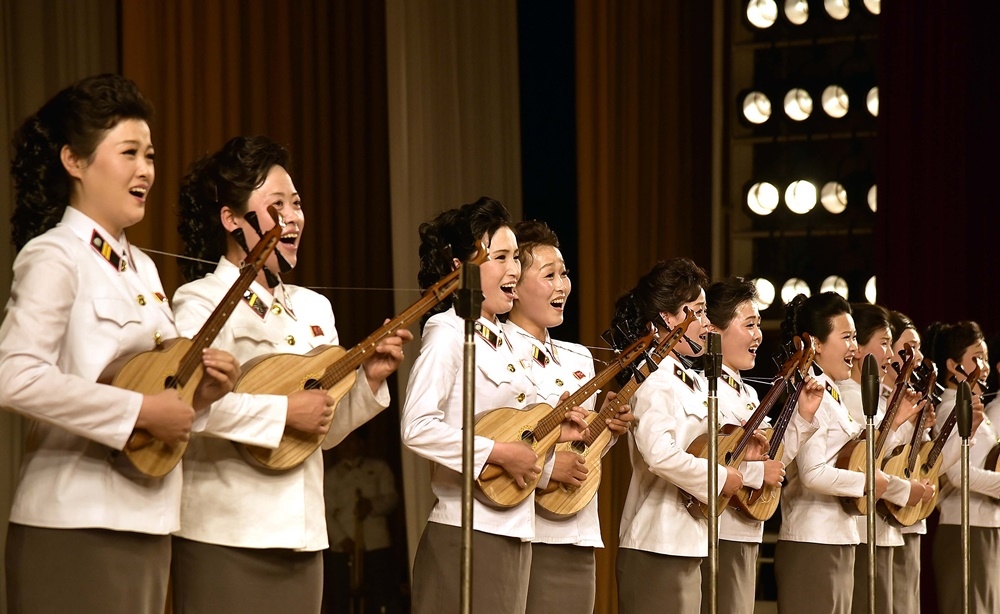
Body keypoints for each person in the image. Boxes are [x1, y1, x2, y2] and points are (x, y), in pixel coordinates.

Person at [0, 74, 238, 613]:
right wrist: (140, 411)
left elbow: (155, 386)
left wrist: (200, 394)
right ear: (74, 161)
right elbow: (13, 377)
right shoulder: (54, 255)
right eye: (128, 152)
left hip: (149, 519)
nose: (145, 170)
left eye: (150, 155)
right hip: (74, 519)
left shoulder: (145, 268)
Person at [170, 135, 410, 613]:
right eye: (276, 204)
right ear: (232, 219)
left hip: (303, 536)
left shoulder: (313, 306)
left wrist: (368, 382)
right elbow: (187, 409)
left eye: (296, 204)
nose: (293, 217)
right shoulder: (199, 301)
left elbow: (319, 430)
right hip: (225, 531)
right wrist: (283, 412)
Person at [400, 198, 587, 614]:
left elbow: (516, 429)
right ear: (458, 267)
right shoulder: (447, 331)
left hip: (515, 529)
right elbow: (416, 426)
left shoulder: (502, 339)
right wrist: (498, 454)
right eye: (500, 257)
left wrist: (559, 430)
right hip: (466, 528)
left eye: (514, 258)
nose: (513, 270)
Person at [503, 220, 634, 614]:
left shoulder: (578, 355)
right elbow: (493, 437)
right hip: (525, 527)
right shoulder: (498, 348)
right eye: (549, 275)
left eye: (565, 274)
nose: (562, 285)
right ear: (515, 285)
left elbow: (583, 446)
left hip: (578, 526)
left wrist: (609, 429)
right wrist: (545, 467)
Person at [614, 258, 745, 614]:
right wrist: (720, 478)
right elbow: (659, 453)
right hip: (658, 540)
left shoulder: (686, 378)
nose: (706, 325)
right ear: (668, 319)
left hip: (687, 539)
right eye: (698, 313)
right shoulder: (653, 376)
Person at [773, 292, 906, 614]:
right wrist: (866, 484)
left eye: (855, 338)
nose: (854, 348)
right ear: (816, 344)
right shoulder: (810, 391)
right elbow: (813, 473)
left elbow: (853, 456)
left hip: (839, 536)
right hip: (813, 538)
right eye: (846, 337)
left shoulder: (831, 393)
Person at [701, 277, 823, 614]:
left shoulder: (749, 393)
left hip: (746, 529)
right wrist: (757, 473)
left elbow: (775, 456)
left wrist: (801, 417)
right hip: (719, 531)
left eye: (758, 325)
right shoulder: (702, 388)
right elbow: (706, 458)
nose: (758, 335)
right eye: (750, 324)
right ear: (714, 330)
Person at [834, 304, 926, 614]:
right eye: (884, 343)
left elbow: (895, 461)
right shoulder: (847, 396)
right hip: (862, 529)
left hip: (885, 528)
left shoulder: (875, 397)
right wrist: (897, 424)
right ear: (858, 349)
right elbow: (860, 462)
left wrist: (912, 427)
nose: (890, 354)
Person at [926, 321, 996, 613]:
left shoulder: (975, 406)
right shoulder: (948, 409)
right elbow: (953, 472)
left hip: (985, 525)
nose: (985, 366)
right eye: (977, 358)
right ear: (953, 366)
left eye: (987, 358)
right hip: (963, 526)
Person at [323, 429, 401, 614]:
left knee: (382, 594)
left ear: (361, 444)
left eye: (351, 441)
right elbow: (325, 511)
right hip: (344, 546)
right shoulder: (331, 476)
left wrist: (372, 505)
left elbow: (392, 498)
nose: (347, 446)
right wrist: (342, 539)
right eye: (343, 442)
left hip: (376, 543)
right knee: (343, 597)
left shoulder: (379, 467)